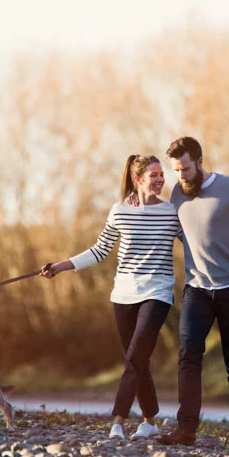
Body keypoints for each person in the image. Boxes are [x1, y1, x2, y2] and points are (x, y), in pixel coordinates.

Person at [41, 154, 182, 440]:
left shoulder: (171, 212)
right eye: (154, 175)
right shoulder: (120, 211)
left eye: (162, 175)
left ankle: (118, 421)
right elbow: (99, 250)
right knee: (137, 359)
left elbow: (195, 243)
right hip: (123, 295)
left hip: (158, 292)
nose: (161, 180)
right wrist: (59, 267)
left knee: (135, 357)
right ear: (138, 179)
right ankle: (150, 421)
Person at [158, 136, 229, 450]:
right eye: (176, 170)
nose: (181, 176)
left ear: (200, 162)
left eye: (186, 169)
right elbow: (182, 232)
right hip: (197, 289)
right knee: (188, 356)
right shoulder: (177, 193)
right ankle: (186, 430)